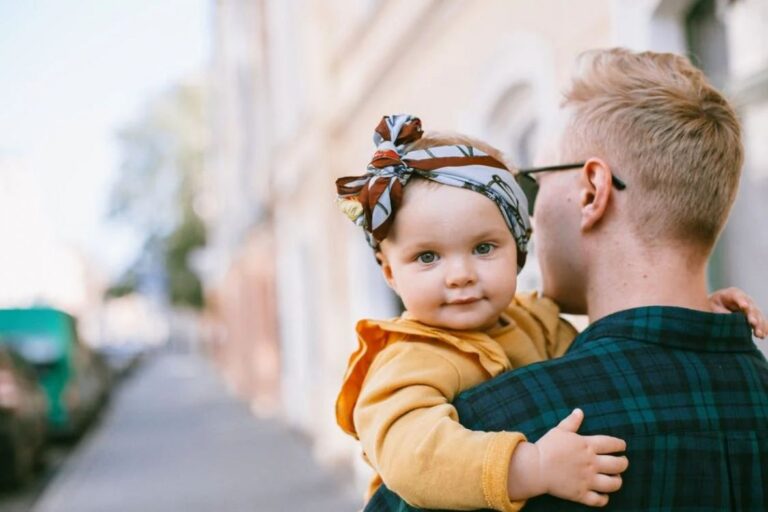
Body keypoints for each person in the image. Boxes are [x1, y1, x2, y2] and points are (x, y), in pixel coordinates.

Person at [365, 49, 768, 511]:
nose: (531, 217)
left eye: (536, 181)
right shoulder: (756, 388)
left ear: (591, 192)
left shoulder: (491, 432)